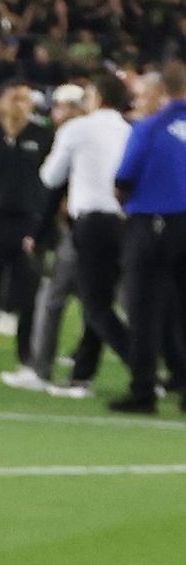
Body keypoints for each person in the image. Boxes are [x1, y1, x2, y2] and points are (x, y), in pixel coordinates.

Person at [32, 72, 137, 394]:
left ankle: (142, 363)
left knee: (95, 305)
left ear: (98, 97)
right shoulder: (130, 130)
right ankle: (82, 376)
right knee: (104, 300)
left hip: (91, 223)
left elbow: (50, 177)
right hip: (126, 223)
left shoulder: (78, 129)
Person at [0, 81, 57, 378]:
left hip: (29, 222)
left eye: (25, 100)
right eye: (15, 98)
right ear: (2, 102)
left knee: (28, 291)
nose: (21, 104)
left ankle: (25, 352)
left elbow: (55, 181)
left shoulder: (44, 136)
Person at [112, 72, 186, 417]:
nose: (138, 101)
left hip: (153, 224)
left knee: (144, 310)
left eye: (142, 95)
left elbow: (124, 177)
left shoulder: (150, 128)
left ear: (162, 94)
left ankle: (144, 391)